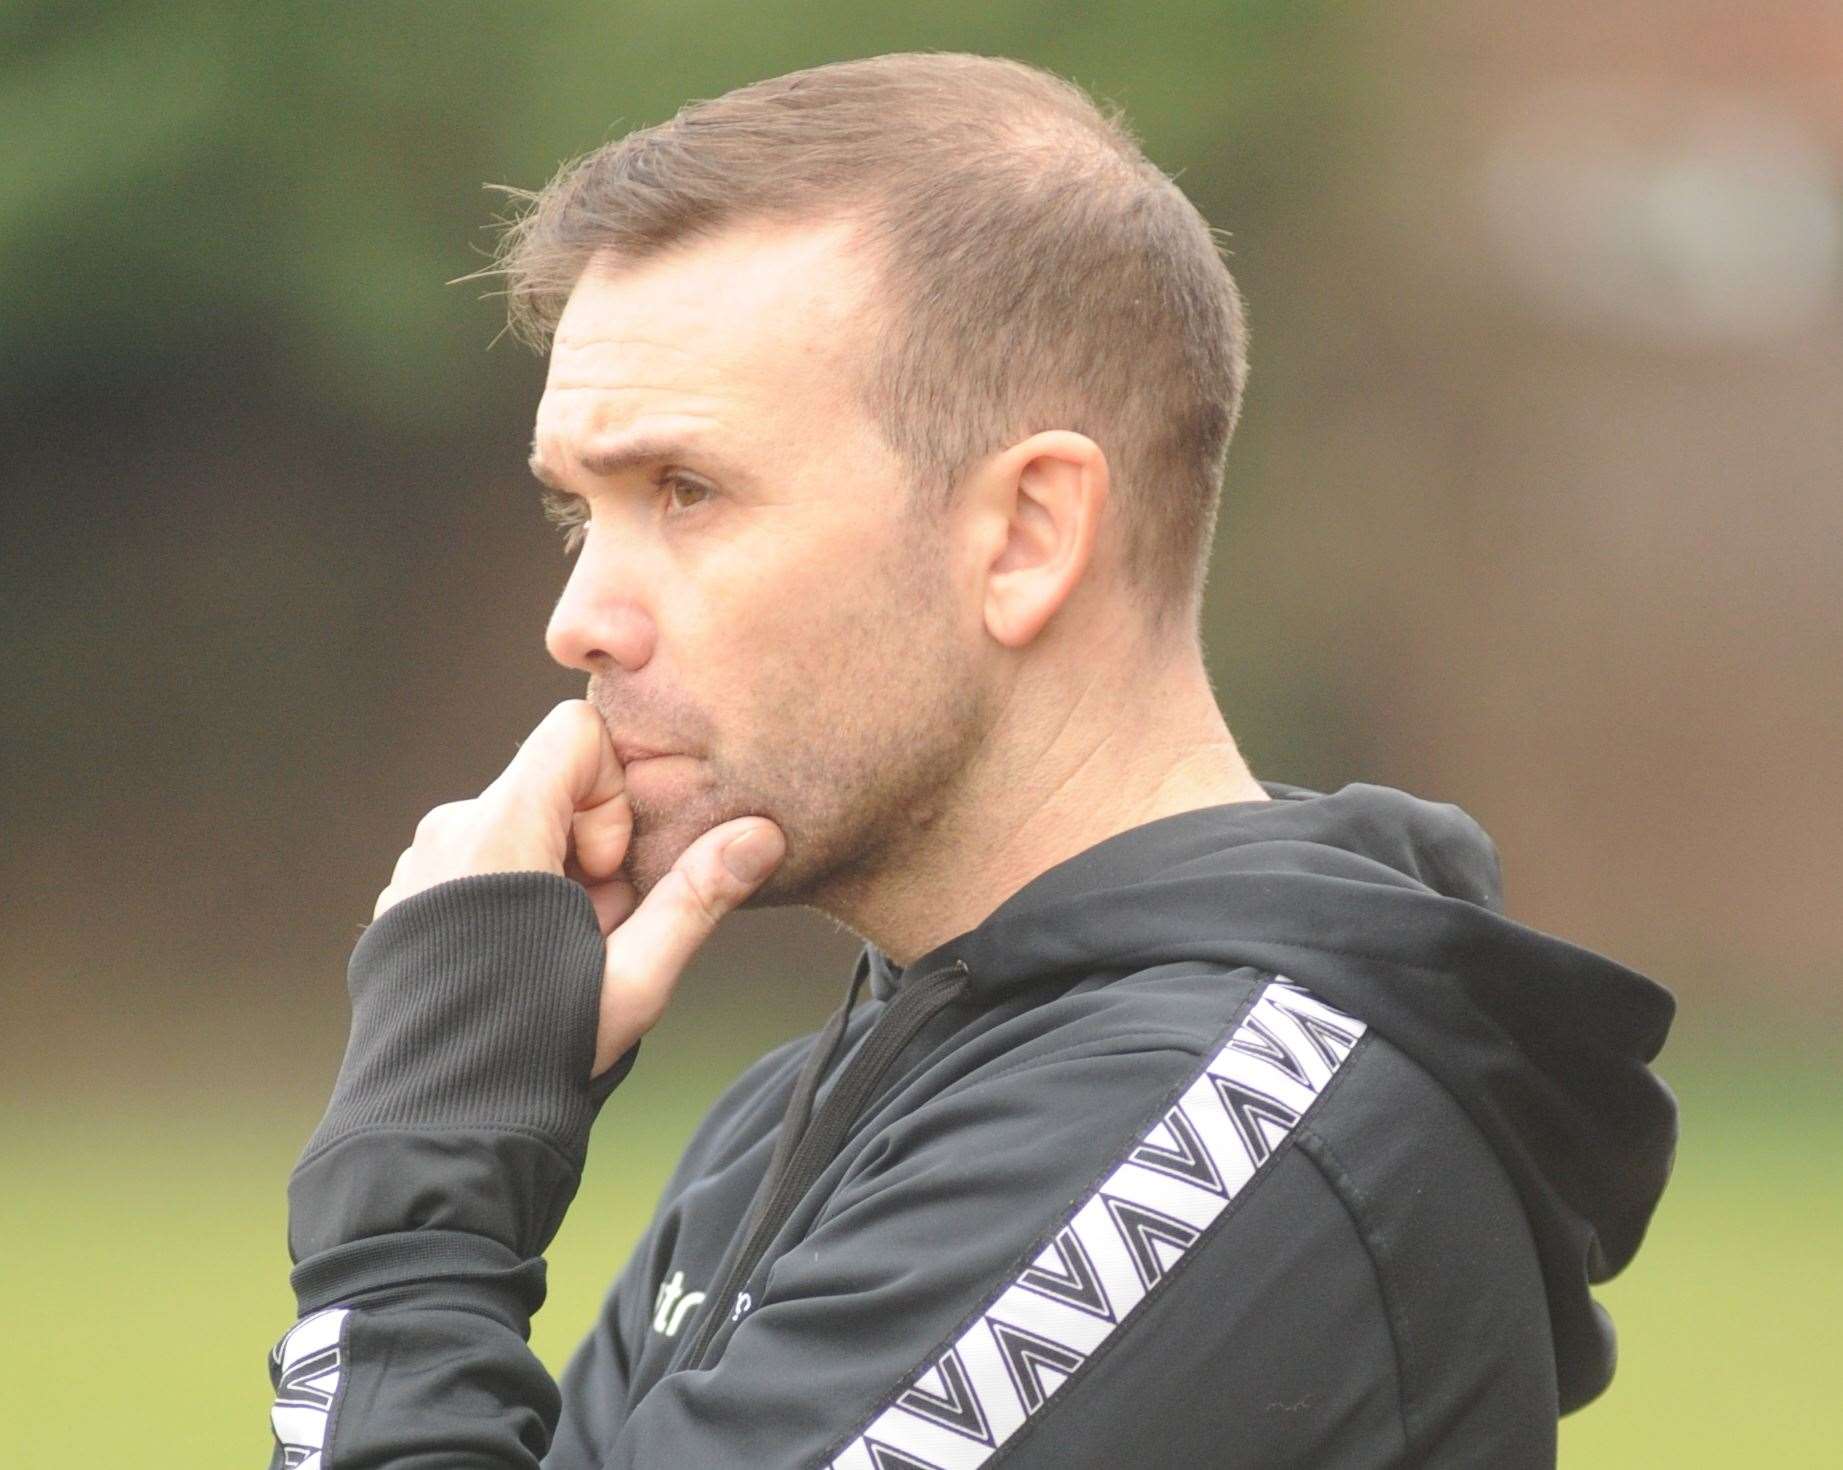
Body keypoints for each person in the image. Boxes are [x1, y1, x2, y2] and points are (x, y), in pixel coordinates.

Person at [264, 52, 1676, 1469]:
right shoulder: (805, 1123)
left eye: (684, 491)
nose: (579, 620)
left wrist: (417, 1179)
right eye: (583, 513)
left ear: (1025, 535)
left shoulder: (1198, 1148)